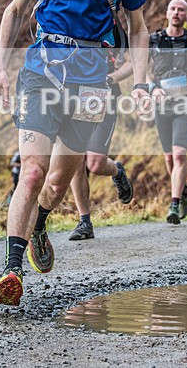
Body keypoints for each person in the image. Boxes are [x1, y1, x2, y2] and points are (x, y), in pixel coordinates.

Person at [0, 0, 150, 306]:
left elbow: (138, 29)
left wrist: (141, 83)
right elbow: (14, 11)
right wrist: (1, 70)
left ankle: (40, 220)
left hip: (93, 83)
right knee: (34, 171)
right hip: (41, 74)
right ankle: (12, 269)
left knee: (59, 181)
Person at [147, 0, 187, 225]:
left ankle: (173, 204)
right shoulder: (154, 40)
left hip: (186, 104)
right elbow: (143, 70)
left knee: (179, 154)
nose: (177, 12)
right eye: (173, 9)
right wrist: (152, 89)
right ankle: (183, 191)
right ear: (166, 12)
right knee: (169, 157)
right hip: (162, 104)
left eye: (182, 10)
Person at [68, 51, 134, 241]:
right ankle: (84, 221)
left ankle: (117, 171)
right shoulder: (72, 23)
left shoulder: (114, 27)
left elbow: (132, 62)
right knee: (75, 161)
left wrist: (111, 78)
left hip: (102, 96)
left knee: (95, 164)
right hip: (73, 97)